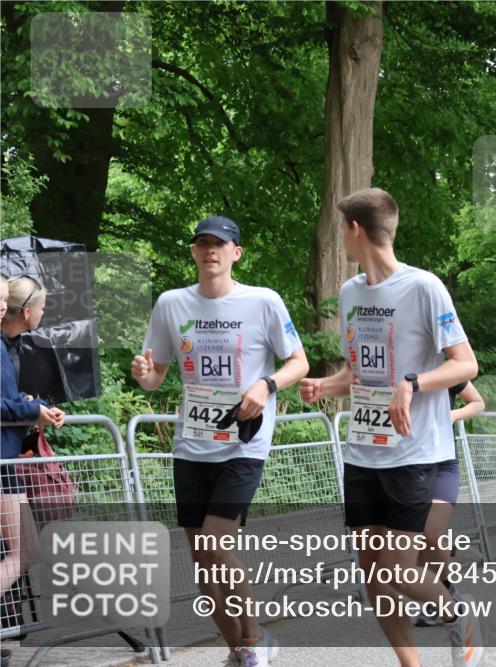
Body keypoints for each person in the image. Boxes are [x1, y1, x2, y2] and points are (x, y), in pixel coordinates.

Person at [297, 188, 483, 667]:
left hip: (414, 457)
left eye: (342, 229)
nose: (342, 238)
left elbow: (465, 365)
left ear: (355, 230)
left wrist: (414, 383)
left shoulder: (424, 287)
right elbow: (358, 371)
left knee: (397, 572)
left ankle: (457, 614)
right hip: (363, 454)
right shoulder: (350, 292)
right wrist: (326, 385)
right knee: (375, 577)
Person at [132, 216, 309, 667]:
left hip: (242, 442)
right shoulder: (172, 304)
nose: (210, 250)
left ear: (236, 253)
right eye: (203, 243)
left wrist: (266, 386)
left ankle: (253, 640)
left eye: (220, 244)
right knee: (200, 559)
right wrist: (143, 374)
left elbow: (299, 363)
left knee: (216, 543)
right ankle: (238, 648)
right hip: (192, 444)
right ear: (193, 251)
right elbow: (156, 377)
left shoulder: (262, 301)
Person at [1, 275, 66, 637]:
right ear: (27, 311)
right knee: (23, 553)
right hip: (1, 462)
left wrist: (34, 406)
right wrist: (31, 411)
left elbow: (9, 402)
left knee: (27, 551)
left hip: (7, 460)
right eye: (42, 307)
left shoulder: (8, 345)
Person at [414, 380, 485, 627]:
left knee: (430, 531)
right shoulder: (397, 368)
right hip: (407, 466)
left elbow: (478, 402)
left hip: (444, 464)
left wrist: (454, 414)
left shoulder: (448, 369)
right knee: (418, 537)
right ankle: (436, 598)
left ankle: (445, 589)